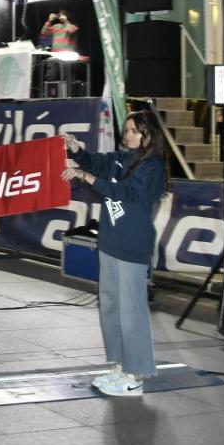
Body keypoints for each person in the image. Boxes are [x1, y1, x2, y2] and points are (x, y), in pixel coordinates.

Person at [61, 109, 170, 397]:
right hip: (110, 243)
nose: (129, 135)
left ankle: (136, 375)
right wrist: (76, 149)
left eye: (135, 131)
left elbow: (126, 192)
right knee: (111, 308)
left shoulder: (153, 167)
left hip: (132, 248)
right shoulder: (124, 157)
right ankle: (121, 365)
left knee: (131, 312)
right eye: (128, 131)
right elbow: (99, 162)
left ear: (150, 134)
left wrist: (85, 176)